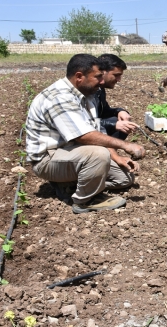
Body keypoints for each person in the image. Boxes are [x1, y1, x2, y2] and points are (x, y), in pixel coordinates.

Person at [25, 54, 146, 214]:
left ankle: (68, 184)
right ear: (79, 76)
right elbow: (84, 136)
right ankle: (85, 201)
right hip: (49, 159)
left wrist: (118, 158)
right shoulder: (59, 98)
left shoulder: (86, 95)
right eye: (97, 77)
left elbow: (96, 132)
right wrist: (126, 145)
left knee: (124, 178)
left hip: (74, 153)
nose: (102, 82)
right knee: (98, 154)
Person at [95, 54, 139, 140]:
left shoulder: (100, 89)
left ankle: (111, 151)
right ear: (102, 72)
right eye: (116, 75)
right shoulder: (88, 90)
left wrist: (119, 111)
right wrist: (113, 124)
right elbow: (82, 122)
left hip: (95, 125)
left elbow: (104, 111)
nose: (119, 80)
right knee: (117, 123)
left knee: (122, 122)